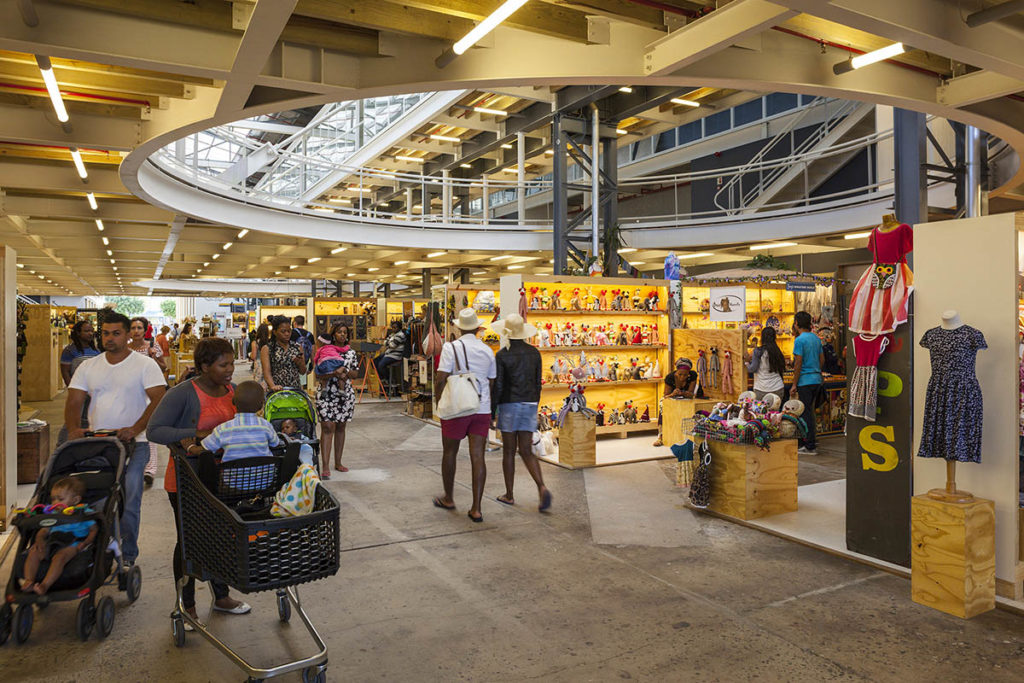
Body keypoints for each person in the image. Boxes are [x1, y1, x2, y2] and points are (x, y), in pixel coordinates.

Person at [147, 337, 251, 626]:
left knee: (219, 537)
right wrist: (196, 434)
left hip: (223, 481)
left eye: (231, 363)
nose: (231, 369)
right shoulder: (183, 394)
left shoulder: (231, 390)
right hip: (187, 481)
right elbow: (155, 431)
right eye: (224, 364)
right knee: (189, 542)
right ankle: (186, 604)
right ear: (204, 366)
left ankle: (221, 596)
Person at [64, 311, 166, 570]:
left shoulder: (144, 365)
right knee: (94, 495)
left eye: (116, 333)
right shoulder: (89, 366)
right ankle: (92, 545)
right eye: (105, 333)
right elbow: (74, 399)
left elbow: (158, 397)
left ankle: (128, 553)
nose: (110, 338)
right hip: (98, 444)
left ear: (128, 334)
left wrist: (135, 428)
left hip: (136, 443)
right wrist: (74, 428)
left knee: (130, 494)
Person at [432, 309, 496, 523]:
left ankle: (449, 498)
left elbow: (441, 378)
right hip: (481, 407)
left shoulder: (451, 347)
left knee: (449, 452)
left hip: (457, 406)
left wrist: (437, 399)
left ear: (459, 327)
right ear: (478, 328)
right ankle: (476, 508)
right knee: (478, 455)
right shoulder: (487, 350)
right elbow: (492, 381)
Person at [491, 314, 551, 512]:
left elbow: (498, 386)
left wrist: (493, 411)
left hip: (509, 404)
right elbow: (537, 383)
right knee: (526, 449)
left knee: (509, 450)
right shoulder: (534, 353)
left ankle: (509, 494)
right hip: (529, 403)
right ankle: (541, 487)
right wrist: (534, 404)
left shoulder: (501, 355)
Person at [20, 477, 98, 595]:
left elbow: (94, 530)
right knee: (34, 552)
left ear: (75, 500)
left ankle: (45, 585)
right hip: (52, 541)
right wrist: (39, 540)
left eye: (60, 499)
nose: (55, 503)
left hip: (73, 543)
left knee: (60, 557)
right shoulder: (52, 513)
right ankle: (29, 581)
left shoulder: (84, 512)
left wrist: (86, 542)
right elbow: (44, 530)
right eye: (53, 499)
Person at [184, 381, 278, 461]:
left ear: (233, 402)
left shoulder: (223, 429)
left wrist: (190, 447)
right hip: (265, 479)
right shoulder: (266, 426)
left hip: (233, 481)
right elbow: (275, 443)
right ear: (261, 405)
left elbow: (205, 451)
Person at [314, 323, 358, 479]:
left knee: (341, 426)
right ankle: (325, 465)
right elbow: (318, 374)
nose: (342, 335)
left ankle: (338, 462)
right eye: (339, 332)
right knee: (327, 426)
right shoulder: (326, 350)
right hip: (327, 393)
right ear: (333, 334)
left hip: (344, 394)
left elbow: (355, 373)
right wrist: (334, 372)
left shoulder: (351, 353)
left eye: (345, 332)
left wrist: (345, 371)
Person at [128, 317, 168, 488]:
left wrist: (154, 357)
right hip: (129, 394)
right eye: (133, 328)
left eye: (139, 327)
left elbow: (164, 367)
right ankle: (133, 464)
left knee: (147, 431)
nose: (136, 330)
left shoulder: (153, 346)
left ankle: (150, 470)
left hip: (149, 393)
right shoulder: (125, 349)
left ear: (145, 330)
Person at [790, 311, 824, 456]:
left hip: (805, 381)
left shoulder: (799, 340)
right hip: (817, 380)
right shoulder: (816, 339)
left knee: (805, 413)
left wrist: (794, 384)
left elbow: (798, 363)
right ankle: (811, 441)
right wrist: (816, 370)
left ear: (796, 323)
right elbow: (822, 359)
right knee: (809, 412)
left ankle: (809, 446)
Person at [652, 358, 705, 447]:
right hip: (672, 398)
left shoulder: (693, 375)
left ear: (689, 373)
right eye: (680, 374)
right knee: (662, 406)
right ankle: (661, 436)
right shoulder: (670, 377)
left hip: (686, 399)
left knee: (692, 408)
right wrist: (673, 394)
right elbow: (666, 396)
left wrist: (683, 393)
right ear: (676, 371)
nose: (682, 377)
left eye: (685, 375)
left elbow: (691, 394)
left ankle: (686, 437)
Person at [260, 316, 304, 392]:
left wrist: (300, 363)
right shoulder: (267, 348)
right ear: (275, 332)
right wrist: (273, 386)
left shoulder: (297, 347)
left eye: (289, 331)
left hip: (295, 391)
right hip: (277, 391)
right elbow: (266, 372)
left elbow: (303, 371)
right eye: (283, 331)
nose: (287, 334)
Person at [746, 326, 787, 402]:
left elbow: (752, 369)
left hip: (761, 389)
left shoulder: (758, 351)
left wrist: (746, 363)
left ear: (762, 337)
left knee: (761, 413)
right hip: (778, 388)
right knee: (775, 413)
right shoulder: (777, 351)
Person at [60, 320, 100, 387]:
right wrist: (72, 389)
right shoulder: (69, 350)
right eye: (86, 331)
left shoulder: (96, 351)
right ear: (78, 333)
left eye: (92, 331)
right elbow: (65, 372)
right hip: (78, 389)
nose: (90, 333)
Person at [374, 320, 407, 384]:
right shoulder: (392, 335)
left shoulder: (400, 335)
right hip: (388, 353)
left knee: (381, 365)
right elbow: (385, 342)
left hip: (395, 355)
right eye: (393, 328)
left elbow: (393, 345)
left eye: (395, 328)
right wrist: (389, 342)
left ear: (399, 328)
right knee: (375, 361)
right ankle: (382, 379)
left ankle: (388, 379)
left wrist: (388, 342)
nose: (393, 329)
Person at [290, 315, 314, 388]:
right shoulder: (310, 335)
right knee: (301, 385)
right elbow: (313, 352)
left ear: (295, 323)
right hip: (305, 362)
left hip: (293, 362)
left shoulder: (292, 333)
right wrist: (311, 366)